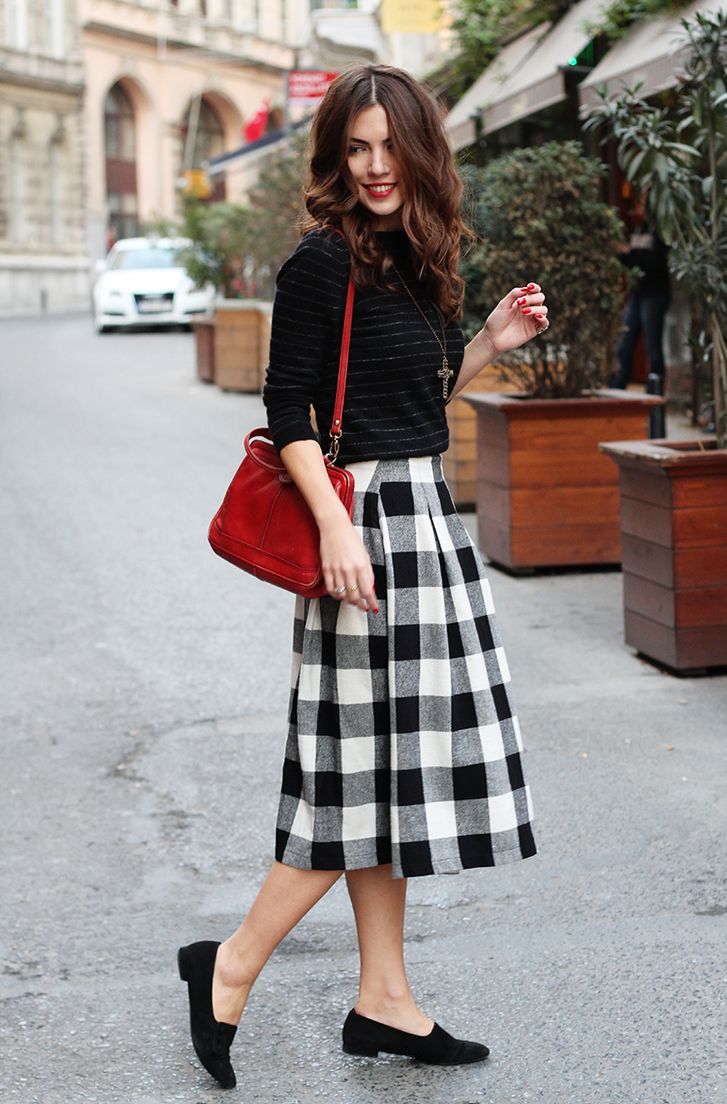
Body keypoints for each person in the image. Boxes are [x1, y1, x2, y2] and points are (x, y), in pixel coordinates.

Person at [178, 63, 546, 1090]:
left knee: (385, 778)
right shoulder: (320, 263)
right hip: (364, 526)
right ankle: (231, 967)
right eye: (357, 148)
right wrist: (336, 526)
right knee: (352, 780)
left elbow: (418, 401)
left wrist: (487, 343)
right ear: (336, 156)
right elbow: (288, 409)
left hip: (422, 516)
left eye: (392, 146)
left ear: (420, 151)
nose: (376, 167)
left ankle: (382, 997)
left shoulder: (416, 257)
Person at [609, 193, 670, 390]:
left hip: (654, 294)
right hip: (637, 293)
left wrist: (629, 252)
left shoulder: (660, 230)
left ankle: (655, 394)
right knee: (625, 342)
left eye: (642, 201)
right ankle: (616, 389)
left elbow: (654, 262)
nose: (637, 206)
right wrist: (621, 253)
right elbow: (632, 262)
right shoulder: (639, 227)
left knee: (652, 346)